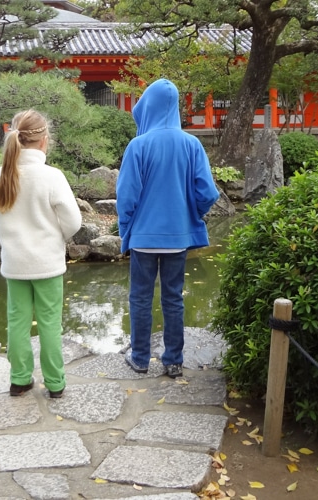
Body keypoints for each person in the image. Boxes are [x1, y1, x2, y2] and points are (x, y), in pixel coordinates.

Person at [116, 78, 220, 379]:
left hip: (143, 239)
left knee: (140, 297)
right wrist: (190, 214)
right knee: (173, 297)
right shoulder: (192, 144)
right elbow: (208, 193)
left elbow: (127, 197)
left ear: (148, 106)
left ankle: (139, 358)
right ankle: (173, 360)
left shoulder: (138, 145)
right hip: (177, 239)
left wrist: (127, 228)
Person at [0, 109, 82, 398]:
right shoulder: (52, 176)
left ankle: (20, 379)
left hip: (15, 264)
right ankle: (55, 383)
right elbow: (73, 222)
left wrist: (10, 236)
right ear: (43, 141)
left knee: (17, 321)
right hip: (47, 264)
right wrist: (56, 238)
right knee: (51, 323)